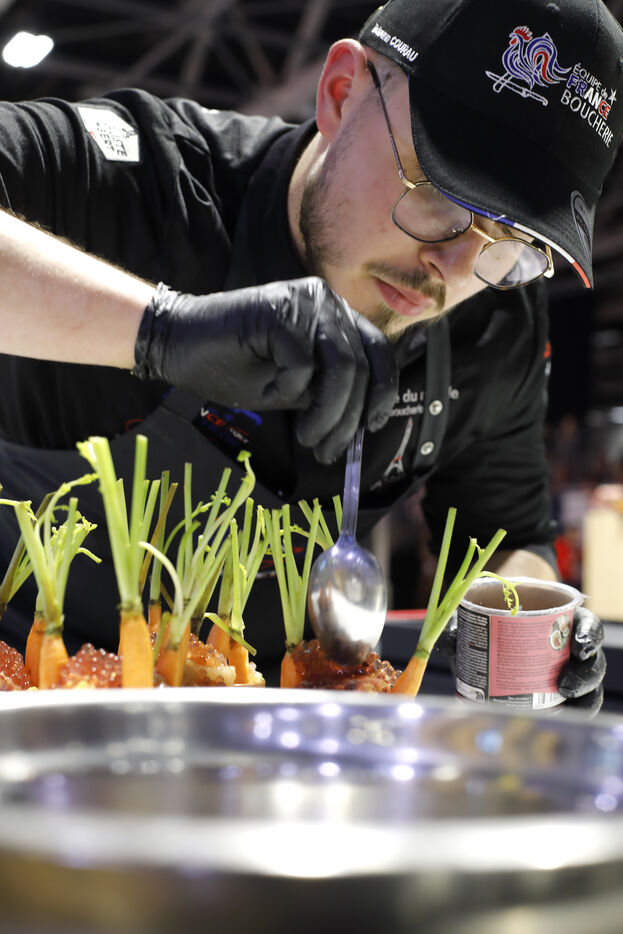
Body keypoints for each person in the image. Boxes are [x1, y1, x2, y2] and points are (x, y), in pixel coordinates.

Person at [0, 0, 618, 707]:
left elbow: (507, 536)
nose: (452, 268)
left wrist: (533, 625)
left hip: (269, 736)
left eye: (512, 243)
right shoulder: (134, 179)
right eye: (441, 197)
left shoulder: (495, 318)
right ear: (340, 93)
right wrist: (164, 329)